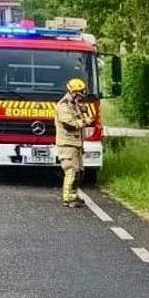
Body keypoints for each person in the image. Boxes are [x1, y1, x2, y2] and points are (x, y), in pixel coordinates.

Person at [55, 78, 94, 207]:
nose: (81, 97)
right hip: (67, 144)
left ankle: (73, 194)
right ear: (74, 92)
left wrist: (83, 114)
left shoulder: (73, 104)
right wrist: (85, 122)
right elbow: (70, 124)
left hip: (76, 144)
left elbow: (78, 118)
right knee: (71, 171)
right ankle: (68, 198)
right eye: (80, 94)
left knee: (79, 172)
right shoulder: (64, 105)